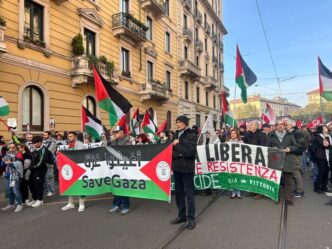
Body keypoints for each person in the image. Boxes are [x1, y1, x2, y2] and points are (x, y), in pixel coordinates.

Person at [170, 115, 197, 230]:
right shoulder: (175, 135)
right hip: (177, 168)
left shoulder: (192, 135)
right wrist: (178, 153)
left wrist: (177, 145)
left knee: (189, 195)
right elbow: (171, 152)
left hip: (187, 169)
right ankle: (182, 216)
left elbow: (190, 153)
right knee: (179, 194)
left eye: (180, 122)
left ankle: (191, 218)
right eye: (177, 122)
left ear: (185, 123)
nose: (178, 124)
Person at [267, 120, 299, 206]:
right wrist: (272, 149)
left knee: (288, 181)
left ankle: (288, 199)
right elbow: (267, 147)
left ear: (284, 126)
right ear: (276, 126)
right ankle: (275, 197)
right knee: (275, 181)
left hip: (288, 160)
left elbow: (296, 146)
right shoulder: (271, 135)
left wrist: (290, 149)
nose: (280, 126)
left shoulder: (290, 135)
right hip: (275, 160)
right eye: (278, 125)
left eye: (282, 124)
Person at [109, 125, 132, 215]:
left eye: (116, 132)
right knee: (115, 186)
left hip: (124, 168)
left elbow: (128, 153)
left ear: (121, 133)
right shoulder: (113, 141)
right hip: (115, 168)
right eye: (114, 133)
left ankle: (126, 206)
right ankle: (116, 205)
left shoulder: (127, 142)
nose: (114, 134)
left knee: (123, 187)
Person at [61, 131, 86, 211]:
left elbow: (80, 155)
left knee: (80, 186)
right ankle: (70, 203)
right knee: (69, 185)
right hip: (70, 168)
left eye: (71, 136)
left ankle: (81, 203)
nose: (69, 138)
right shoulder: (68, 145)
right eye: (68, 137)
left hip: (79, 168)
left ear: (75, 137)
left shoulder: (81, 145)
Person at [244, 120, 267, 199]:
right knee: (252, 175)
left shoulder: (261, 134)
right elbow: (245, 141)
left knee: (258, 175)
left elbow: (263, 146)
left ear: (256, 126)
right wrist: (248, 131)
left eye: (252, 125)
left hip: (258, 158)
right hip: (250, 157)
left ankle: (260, 192)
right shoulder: (249, 134)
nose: (250, 126)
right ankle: (253, 190)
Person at [1, 143, 24, 212]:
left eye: (13, 147)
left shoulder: (18, 154)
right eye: (10, 147)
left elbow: (19, 164)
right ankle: (11, 204)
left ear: (16, 148)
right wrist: (4, 162)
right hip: (8, 174)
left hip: (14, 175)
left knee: (16, 191)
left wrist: (11, 163)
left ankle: (20, 204)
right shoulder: (7, 154)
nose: (11, 149)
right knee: (9, 191)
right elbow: (2, 164)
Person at [28, 136, 50, 208]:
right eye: (33, 143)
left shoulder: (44, 150)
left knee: (39, 185)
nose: (34, 144)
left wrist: (34, 166)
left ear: (40, 142)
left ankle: (40, 200)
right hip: (33, 170)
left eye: (35, 143)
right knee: (32, 185)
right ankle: (35, 198)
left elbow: (42, 161)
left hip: (40, 170)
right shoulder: (35, 150)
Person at [286, 120, 305, 198]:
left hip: (295, 155)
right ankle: (298, 189)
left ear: (291, 125)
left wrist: (291, 149)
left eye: (286, 124)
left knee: (296, 172)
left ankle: (300, 191)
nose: (284, 126)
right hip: (292, 155)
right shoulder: (292, 132)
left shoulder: (297, 133)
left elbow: (302, 146)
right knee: (294, 173)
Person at [312, 125, 332, 194]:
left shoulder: (328, 136)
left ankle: (324, 186)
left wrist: (327, 141)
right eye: (325, 128)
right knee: (322, 172)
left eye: (326, 128)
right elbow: (326, 145)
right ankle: (317, 187)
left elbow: (329, 145)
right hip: (321, 156)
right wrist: (325, 136)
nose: (326, 129)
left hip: (326, 156)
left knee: (326, 172)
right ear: (321, 130)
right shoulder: (319, 136)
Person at [227, 129, 242, 199]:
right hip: (230, 162)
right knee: (232, 177)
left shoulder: (240, 142)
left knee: (238, 177)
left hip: (238, 162)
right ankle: (233, 192)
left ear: (237, 134)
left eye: (234, 133)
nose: (233, 134)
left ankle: (238, 192)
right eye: (231, 133)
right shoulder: (227, 142)